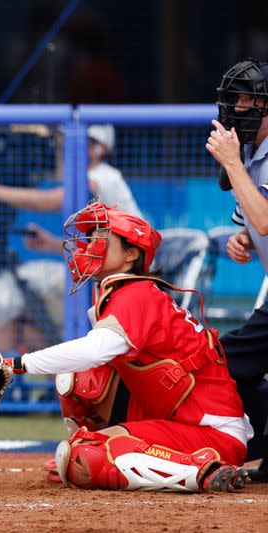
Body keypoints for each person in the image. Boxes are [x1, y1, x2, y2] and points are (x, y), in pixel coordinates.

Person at [3, 201, 252, 492]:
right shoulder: (127, 291)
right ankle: (99, 452)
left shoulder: (136, 293)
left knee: (90, 455)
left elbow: (93, 350)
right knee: (82, 382)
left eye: (100, 239)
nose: (88, 246)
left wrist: (14, 365)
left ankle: (204, 470)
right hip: (178, 419)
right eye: (89, 238)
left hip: (214, 435)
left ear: (131, 254)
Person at [0, 125, 141, 352]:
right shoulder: (95, 178)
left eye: (71, 142)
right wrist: (51, 243)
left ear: (98, 148)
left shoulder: (101, 177)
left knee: (6, 294)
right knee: (12, 323)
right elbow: (101, 250)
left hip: (120, 289)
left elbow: (50, 201)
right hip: (104, 282)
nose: (62, 148)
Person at [206, 57, 268, 481]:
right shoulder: (249, 152)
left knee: (224, 361)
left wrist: (231, 163)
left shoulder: (241, 158)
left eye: (248, 100)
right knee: (224, 364)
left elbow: (265, 219)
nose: (238, 109)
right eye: (235, 100)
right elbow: (252, 224)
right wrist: (241, 239)